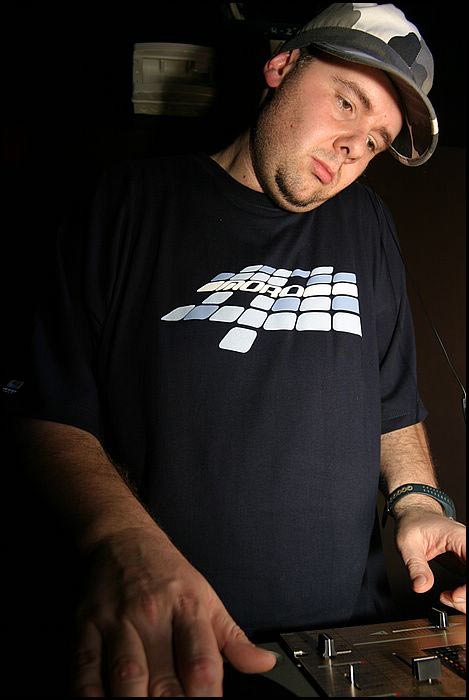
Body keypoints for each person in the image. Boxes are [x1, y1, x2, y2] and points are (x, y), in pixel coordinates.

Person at [4, 2, 465, 697]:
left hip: (344, 643)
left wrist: (417, 500)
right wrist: (120, 544)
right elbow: (46, 409)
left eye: (375, 140)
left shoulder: (367, 221)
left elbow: (392, 403)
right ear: (282, 68)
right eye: (346, 102)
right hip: (168, 645)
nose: (352, 147)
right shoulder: (126, 201)